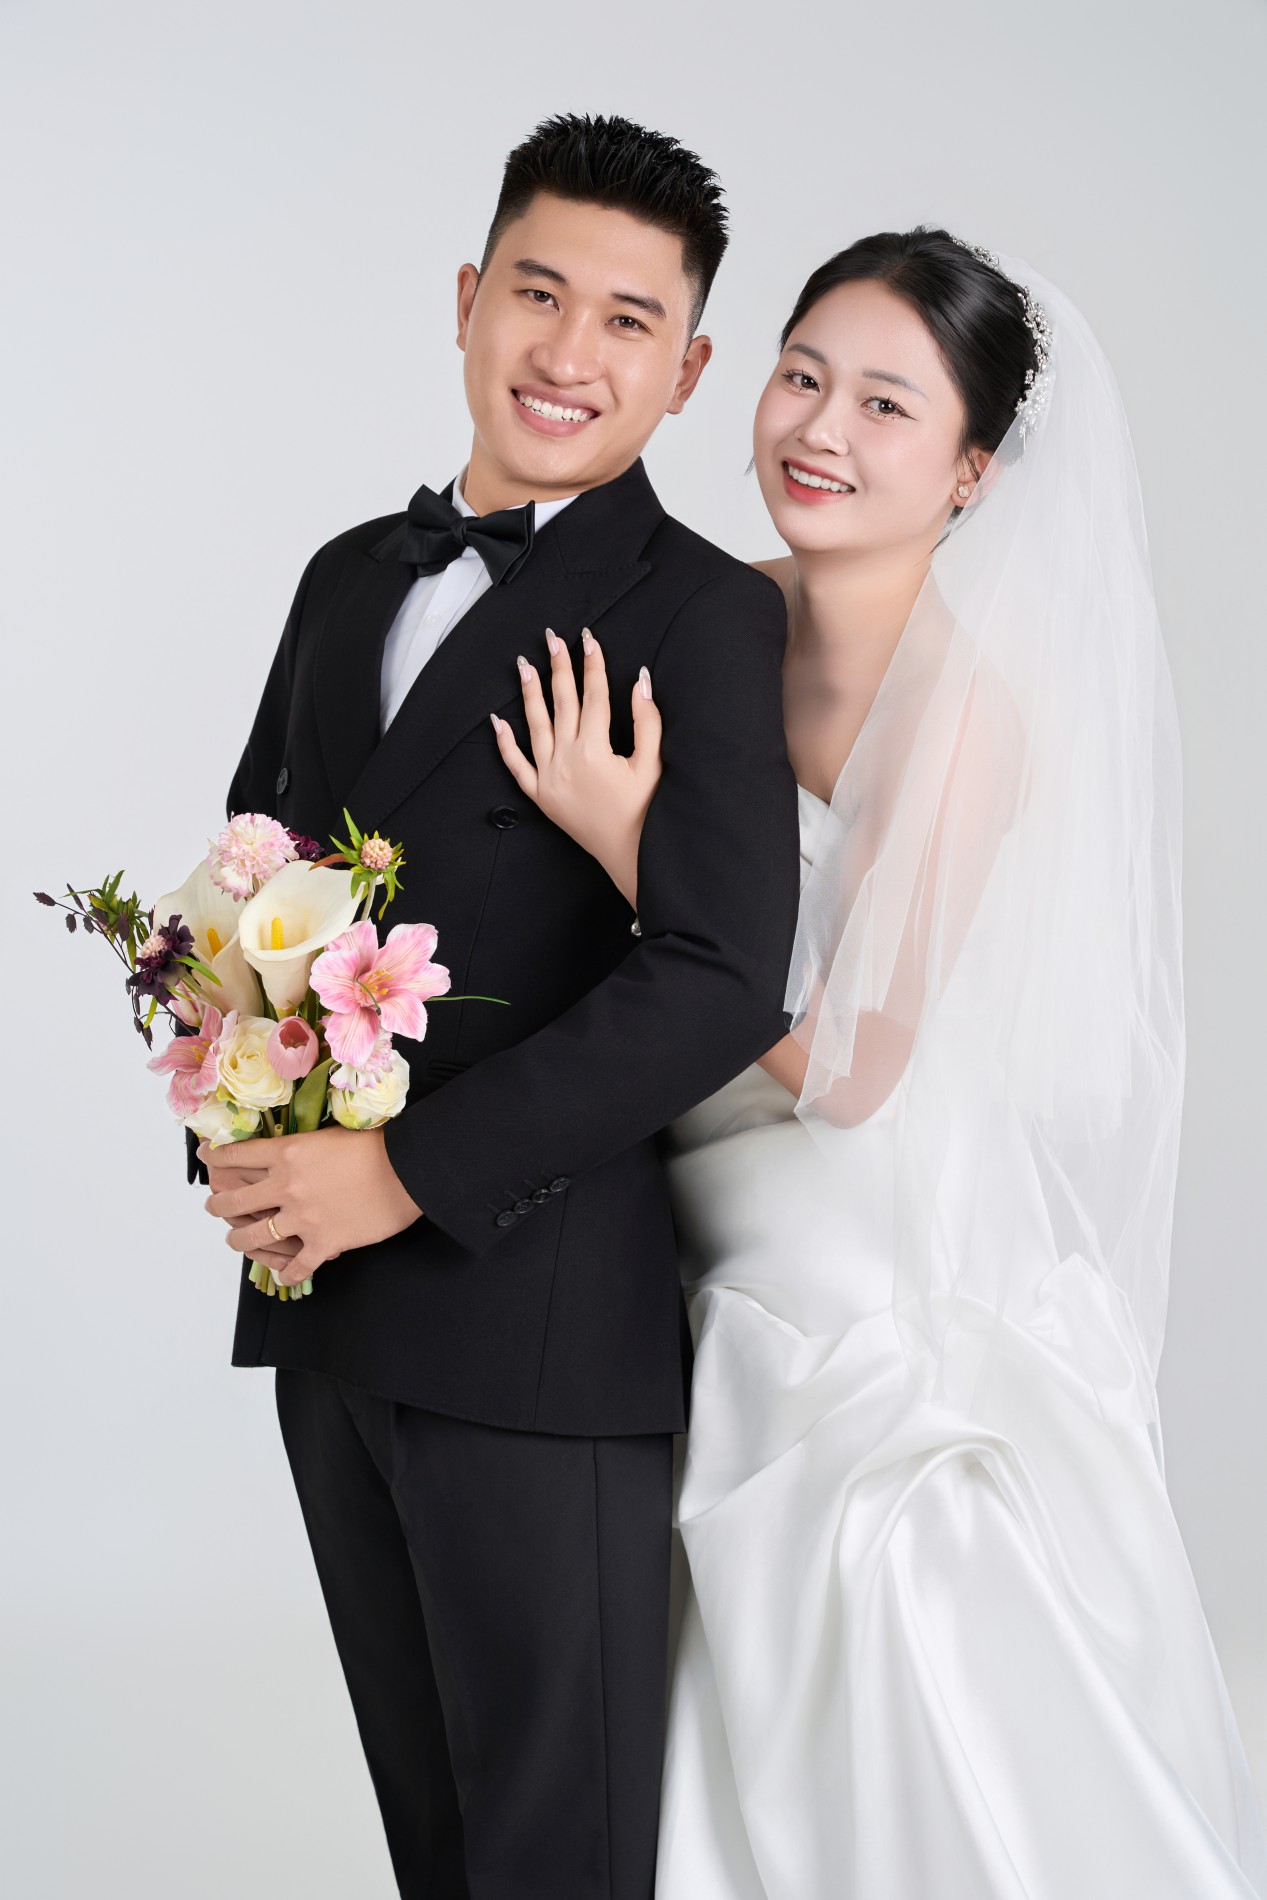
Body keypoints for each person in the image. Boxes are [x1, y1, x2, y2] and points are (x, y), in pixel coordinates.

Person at [493, 228, 1267, 1897]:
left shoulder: (966, 716)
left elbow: (851, 1074)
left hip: (845, 1221)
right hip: (663, 1177)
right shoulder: (704, 615)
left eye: (885, 406)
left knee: (876, 1604)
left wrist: (639, 856)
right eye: (801, 376)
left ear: (973, 473)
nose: (819, 430)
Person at [194, 114, 801, 1899]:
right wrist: (238, 1121)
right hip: (326, 1316)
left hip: (537, 1327)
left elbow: (719, 974)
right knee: (436, 1850)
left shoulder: (701, 614)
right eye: (538, 293)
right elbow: (253, 868)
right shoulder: (345, 575)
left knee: (558, 1855)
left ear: (688, 371)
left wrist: (401, 1175)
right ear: (467, 298)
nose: (569, 351)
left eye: (628, 320)